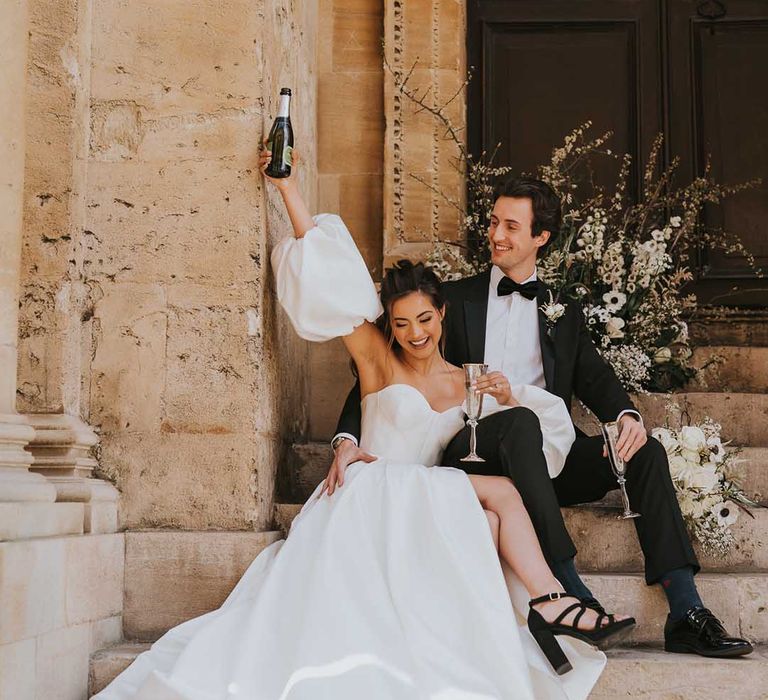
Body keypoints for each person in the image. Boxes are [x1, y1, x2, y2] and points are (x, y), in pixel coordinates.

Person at [93, 152, 633, 700]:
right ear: (389, 328)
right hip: (372, 486)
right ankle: (552, 600)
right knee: (494, 503)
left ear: (442, 315)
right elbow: (337, 284)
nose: (414, 333)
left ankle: (547, 601)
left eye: (424, 320)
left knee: (504, 497)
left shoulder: (465, 380)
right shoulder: (380, 363)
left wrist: (516, 394)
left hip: (427, 489)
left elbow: (542, 420)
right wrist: (289, 190)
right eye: (401, 324)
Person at [333, 177, 753, 659]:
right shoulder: (449, 301)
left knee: (645, 452)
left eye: (511, 226)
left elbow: (594, 377)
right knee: (518, 424)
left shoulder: (562, 311)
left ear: (541, 238)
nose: (496, 235)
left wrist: (627, 415)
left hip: (547, 457)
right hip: (475, 456)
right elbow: (379, 372)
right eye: (493, 222)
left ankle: (686, 611)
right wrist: (347, 436)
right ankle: (567, 588)